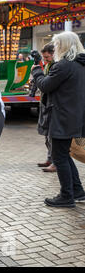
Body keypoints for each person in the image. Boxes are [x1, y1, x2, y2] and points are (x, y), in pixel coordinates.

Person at [32, 31, 85, 208]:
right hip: (74, 116)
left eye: (56, 45)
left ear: (64, 46)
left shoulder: (64, 66)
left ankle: (66, 196)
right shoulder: (80, 64)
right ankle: (77, 191)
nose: (54, 48)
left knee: (59, 156)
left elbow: (46, 86)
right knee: (64, 155)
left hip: (62, 117)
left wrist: (37, 72)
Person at [34, 43, 57, 173]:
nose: (45, 60)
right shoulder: (49, 65)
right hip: (46, 103)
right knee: (47, 134)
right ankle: (50, 158)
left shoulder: (56, 67)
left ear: (53, 54)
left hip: (52, 105)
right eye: (44, 57)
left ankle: (55, 162)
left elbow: (47, 84)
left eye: (47, 57)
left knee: (52, 135)